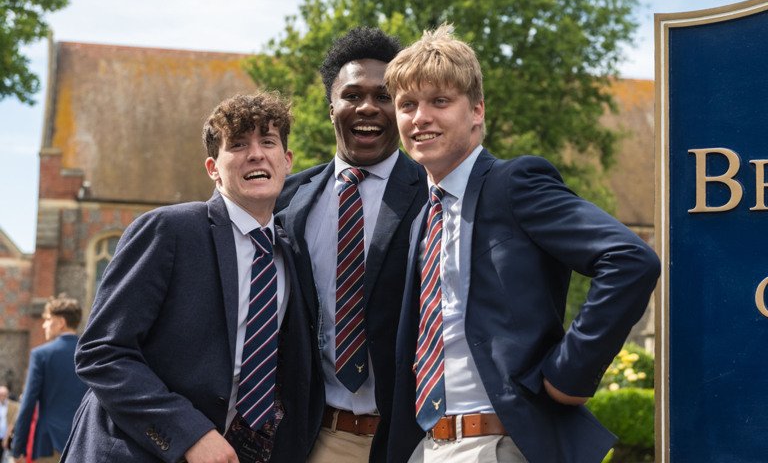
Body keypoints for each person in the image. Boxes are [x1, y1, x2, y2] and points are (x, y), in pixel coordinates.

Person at [382, 24, 661, 463]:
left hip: (498, 444)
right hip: (425, 446)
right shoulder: (423, 217)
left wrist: (568, 376)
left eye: (440, 101)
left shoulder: (514, 184)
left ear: (476, 111)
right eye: (407, 105)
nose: (420, 117)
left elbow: (630, 259)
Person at [60, 91, 323, 463]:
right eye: (238, 144)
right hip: (136, 451)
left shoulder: (291, 257)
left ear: (287, 161)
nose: (256, 153)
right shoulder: (169, 230)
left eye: (268, 141)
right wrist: (189, 435)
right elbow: (101, 353)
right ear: (213, 168)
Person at [275, 27, 428, 463]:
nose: (368, 107)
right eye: (353, 95)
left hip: (415, 440)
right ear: (331, 109)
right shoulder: (287, 201)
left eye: (384, 96)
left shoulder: (436, 194)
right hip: (319, 437)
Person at [10, 295, 87, 463]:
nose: (44, 324)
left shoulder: (41, 355)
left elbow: (28, 403)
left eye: (47, 319)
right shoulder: (90, 354)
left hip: (50, 446)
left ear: (60, 322)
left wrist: (17, 449)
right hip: (86, 444)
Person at [1, 385, 20, 462]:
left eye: (4, 394)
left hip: (5, 437)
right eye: (0, 394)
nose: (2, 396)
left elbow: (12, 423)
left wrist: (6, 438)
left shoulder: (13, 406)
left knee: (4, 458)